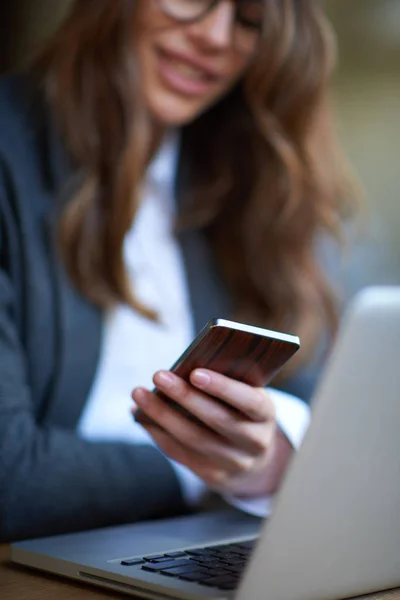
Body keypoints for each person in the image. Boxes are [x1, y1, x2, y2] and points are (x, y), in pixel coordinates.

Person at [0, 0, 355, 542]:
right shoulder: (12, 154)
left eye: (250, 18)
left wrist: (267, 456)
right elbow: (10, 479)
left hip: (203, 547)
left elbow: (313, 396)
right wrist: (211, 469)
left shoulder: (243, 175)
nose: (216, 36)